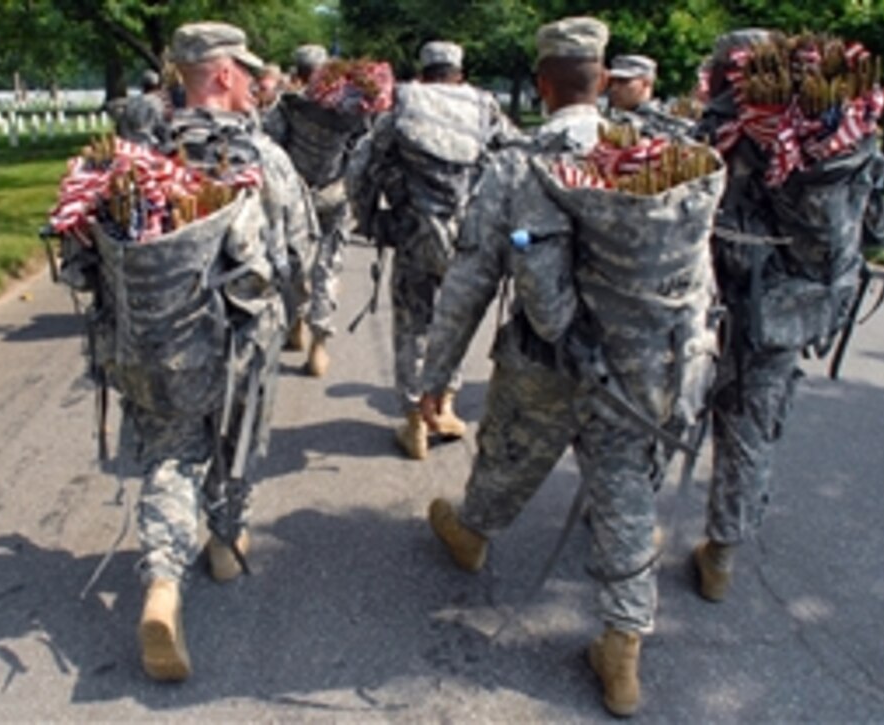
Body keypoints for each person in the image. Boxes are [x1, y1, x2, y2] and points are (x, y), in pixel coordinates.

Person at [418, 17, 723, 717]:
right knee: (622, 489)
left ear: (543, 83)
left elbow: (469, 280)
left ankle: (472, 533)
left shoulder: (517, 163)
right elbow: (696, 274)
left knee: (507, 454)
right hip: (638, 365)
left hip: (546, 358)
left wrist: (435, 376)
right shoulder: (656, 155)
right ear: (605, 73)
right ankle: (622, 642)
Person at [56, 21, 317, 682]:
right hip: (237, 344)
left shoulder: (122, 162)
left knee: (171, 455)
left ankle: (163, 586)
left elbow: (77, 263)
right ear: (225, 74)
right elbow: (298, 254)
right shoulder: (263, 156)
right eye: (246, 71)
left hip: (151, 340)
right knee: (237, 441)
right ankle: (226, 543)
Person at [691, 29, 884, 603]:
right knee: (751, 432)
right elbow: (869, 230)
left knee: (668, 414)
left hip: (715, 305)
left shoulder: (734, 131)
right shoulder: (849, 144)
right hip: (788, 314)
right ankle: (721, 557)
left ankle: (620, 521)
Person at [347, 39, 519, 459]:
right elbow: (515, 158)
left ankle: (413, 423)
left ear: (423, 73)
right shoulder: (484, 107)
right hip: (469, 237)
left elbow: (360, 168)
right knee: (454, 321)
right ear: (459, 73)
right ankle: (445, 405)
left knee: (411, 323)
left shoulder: (403, 104)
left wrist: (370, 220)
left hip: (413, 234)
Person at [265, 45, 374, 376]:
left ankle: (295, 324)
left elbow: (272, 151)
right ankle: (319, 346)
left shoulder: (287, 107)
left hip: (295, 197)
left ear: (298, 75)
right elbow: (361, 153)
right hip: (335, 194)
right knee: (328, 267)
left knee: (291, 262)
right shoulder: (353, 110)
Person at [607, 53, 693, 137]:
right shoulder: (606, 116)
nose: (614, 88)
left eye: (623, 81)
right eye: (612, 81)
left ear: (646, 83)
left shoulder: (670, 124)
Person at [114, 69, 168, 146]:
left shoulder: (132, 102)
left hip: (129, 145)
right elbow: (160, 128)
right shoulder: (156, 102)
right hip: (146, 144)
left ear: (142, 86)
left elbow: (122, 126)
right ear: (157, 86)